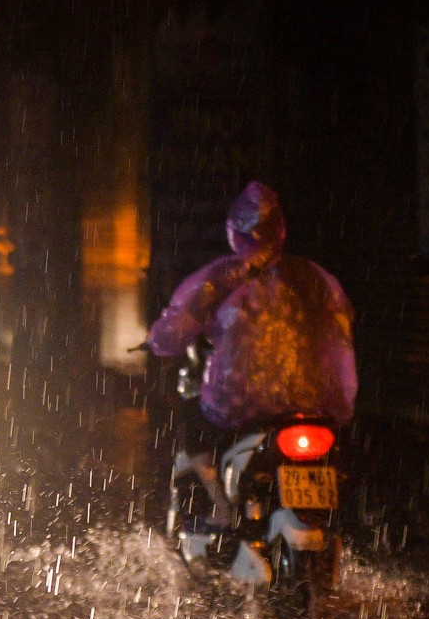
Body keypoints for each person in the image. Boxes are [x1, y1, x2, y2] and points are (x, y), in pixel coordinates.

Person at [147, 181, 356, 523]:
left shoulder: (220, 278)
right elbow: (343, 334)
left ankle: (221, 507)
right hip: (310, 405)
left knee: (192, 423)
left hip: (238, 405)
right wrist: (339, 404)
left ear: (233, 231)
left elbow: (174, 331)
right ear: (281, 229)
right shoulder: (316, 279)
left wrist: (157, 342)